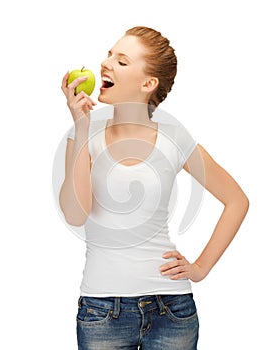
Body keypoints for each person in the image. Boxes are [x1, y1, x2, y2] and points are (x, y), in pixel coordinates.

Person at [59, 26, 249, 350]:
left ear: (148, 84)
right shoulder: (83, 133)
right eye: (109, 55)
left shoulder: (174, 136)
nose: (105, 64)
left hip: (171, 309)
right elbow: (76, 214)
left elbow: (236, 200)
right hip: (102, 311)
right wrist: (80, 126)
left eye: (121, 61)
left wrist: (200, 267)